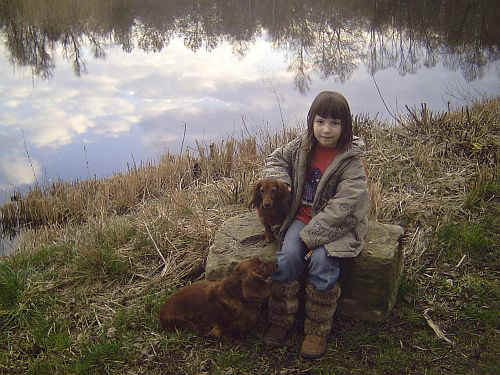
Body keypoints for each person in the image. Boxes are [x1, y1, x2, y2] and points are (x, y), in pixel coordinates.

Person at [261, 91, 370, 359]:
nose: (326, 129)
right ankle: (280, 320)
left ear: (345, 126)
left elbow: (346, 207)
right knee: (286, 259)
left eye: (334, 123)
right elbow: (275, 160)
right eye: (320, 121)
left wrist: (310, 238)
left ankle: (316, 330)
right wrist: (282, 182)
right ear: (311, 121)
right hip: (301, 218)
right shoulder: (301, 147)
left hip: (337, 227)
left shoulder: (350, 160)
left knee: (322, 262)